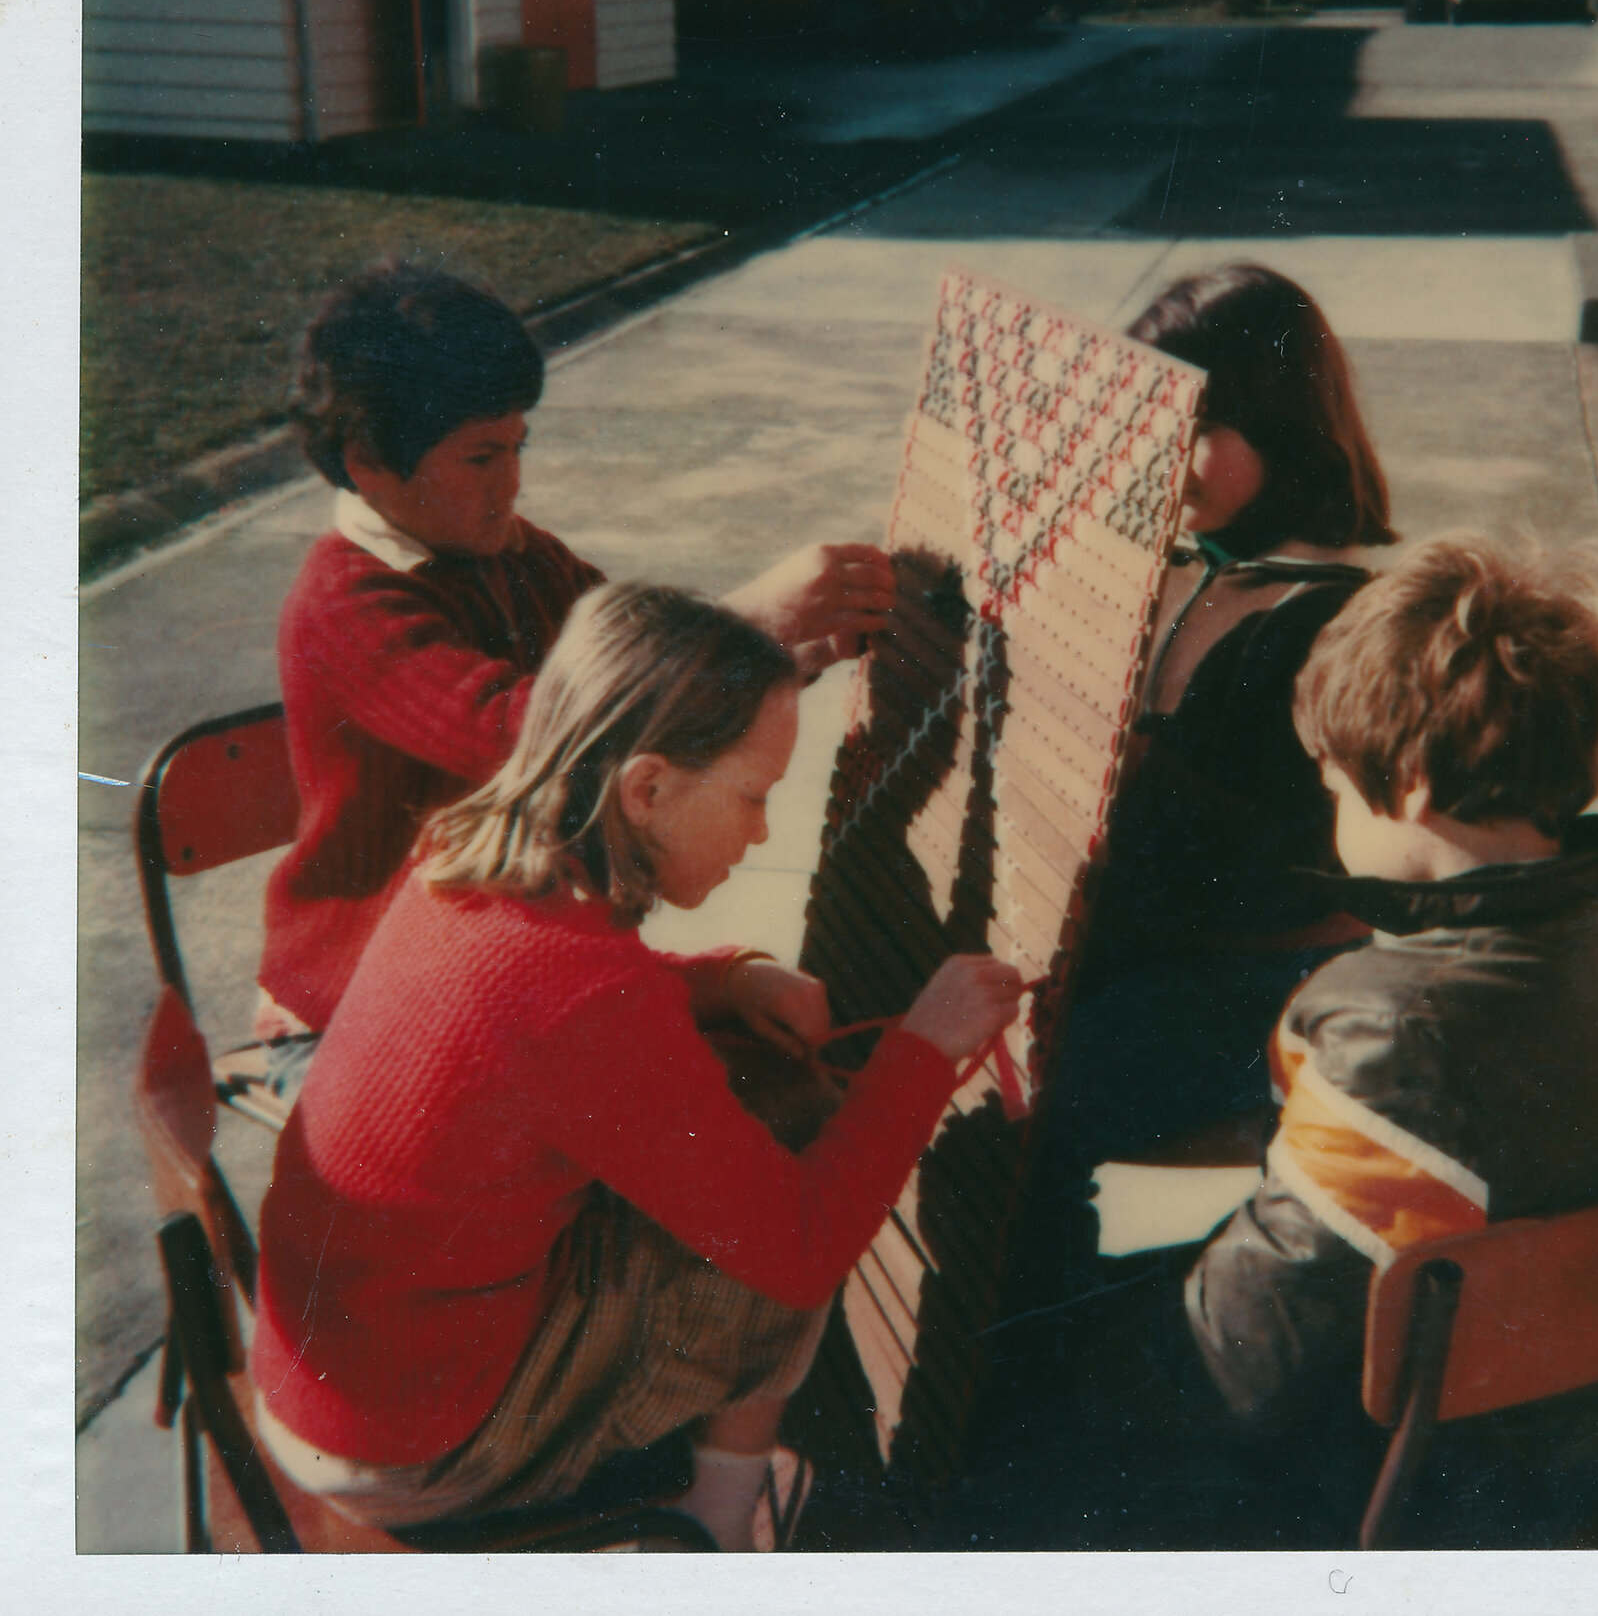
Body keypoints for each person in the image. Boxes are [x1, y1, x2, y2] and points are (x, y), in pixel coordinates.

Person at [250, 582, 1023, 1549]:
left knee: (739, 1151)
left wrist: (721, 982)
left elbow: (537, 1018)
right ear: (647, 788)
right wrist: (923, 1049)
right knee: (799, 1151)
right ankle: (716, 1518)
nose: (762, 832)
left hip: (341, 1376)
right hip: (417, 1453)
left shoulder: (463, 857)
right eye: (752, 794)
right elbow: (803, 1245)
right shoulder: (583, 999)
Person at [1174, 535, 1598, 1543]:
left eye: (1336, 788)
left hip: (1442, 1476)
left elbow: (1241, 1363)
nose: (1331, 812)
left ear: (1409, 785)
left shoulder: (1389, 1031)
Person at [257, 260, 896, 1084]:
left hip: (499, 968)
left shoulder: (518, 555)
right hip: (361, 1005)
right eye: (481, 458)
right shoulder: (345, 602)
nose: (511, 484)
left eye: (518, 447)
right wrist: (746, 620)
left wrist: (780, 657)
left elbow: (639, 670)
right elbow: (528, 732)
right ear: (369, 463)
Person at [1030, 265, 1398, 1232]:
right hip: (1142, 945)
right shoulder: (1178, 566)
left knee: (1027, 1099)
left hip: (1256, 978)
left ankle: (1036, 1345)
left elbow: (1303, 871)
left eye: (1197, 431)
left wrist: (1145, 781)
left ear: (1282, 423)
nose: (1164, 458)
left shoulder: (1332, 618)